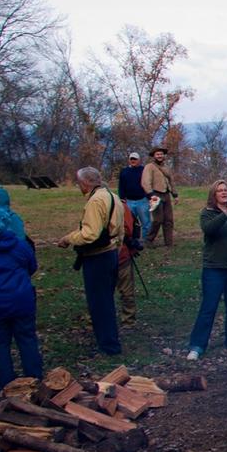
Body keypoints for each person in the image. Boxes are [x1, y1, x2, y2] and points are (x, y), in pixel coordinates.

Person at [56, 167, 123, 356]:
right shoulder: (112, 196)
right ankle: (109, 341)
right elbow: (121, 228)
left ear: (85, 183)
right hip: (110, 253)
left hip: (98, 257)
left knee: (99, 303)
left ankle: (109, 346)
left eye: (79, 183)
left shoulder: (95, 201)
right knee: (106, 300)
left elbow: (90, 234)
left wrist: (68, 238)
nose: (79, 186)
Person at [186, 180, 227, 362]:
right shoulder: (207, 213)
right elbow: (209, 230)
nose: (223, 193)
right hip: (214, 268)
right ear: (214, 195)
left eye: (226, 190)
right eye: (219, 191)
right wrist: (225, 214)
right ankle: (197, 345)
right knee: (209, 307)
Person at [0, 209, 42, 388]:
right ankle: (35, 379)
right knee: (27, 339)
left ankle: (7, 384)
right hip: (21, 301)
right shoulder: (21, 245)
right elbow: (32, 266)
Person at [141, 146, 178, 247]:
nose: (160, 156)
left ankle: (169, 242)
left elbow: (171, 181)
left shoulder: (166, 168)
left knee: (169, 220)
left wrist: (175, 195)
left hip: (166, 194)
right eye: (157, 154)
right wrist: (150, 194)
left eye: (161, 154)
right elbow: (145, 182)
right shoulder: (149, 167)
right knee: (158, 220)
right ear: (154, 156)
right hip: (155, 194)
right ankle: (148, 240)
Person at [116, 197, 140, 327]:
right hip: (114, 254)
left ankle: (129, 319)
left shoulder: (122, 207)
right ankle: (128, 319)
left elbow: (129, 230)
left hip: (122, 254)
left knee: (126, 290)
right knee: (125, 290)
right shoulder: (123, 206)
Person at [118, 152, 151, 240]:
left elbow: (148, 184)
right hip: (129, 201)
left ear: (139, 160)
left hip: (142, 201)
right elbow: (121, 186)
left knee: (146, 222)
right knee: (129, 222)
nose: (133, 161)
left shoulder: (143, 170)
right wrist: (121, 198)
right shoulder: (124, 171)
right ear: (129, 160)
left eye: (135, 159)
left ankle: (146, 240)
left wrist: (150, 197)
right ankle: (132, 240)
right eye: (131, 159)